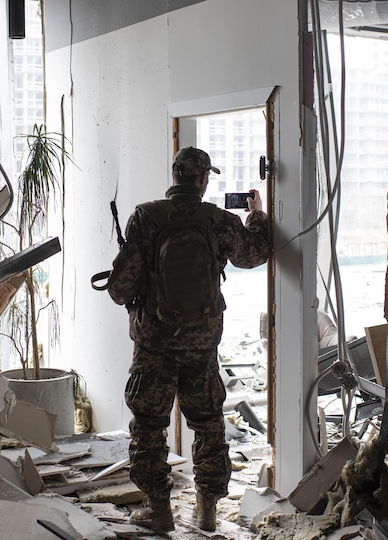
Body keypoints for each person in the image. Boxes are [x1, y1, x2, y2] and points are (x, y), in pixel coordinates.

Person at [106, 146, 271, 532]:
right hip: (202, 344)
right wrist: (257, 215)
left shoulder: (146, 217)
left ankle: (159, 510)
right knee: (209, 423)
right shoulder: (218, 220)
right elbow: (255, 254)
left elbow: (119, 289)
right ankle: (207, 510)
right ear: (203, 180)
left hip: (154, 344)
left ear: (175, 176)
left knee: (149, 425)